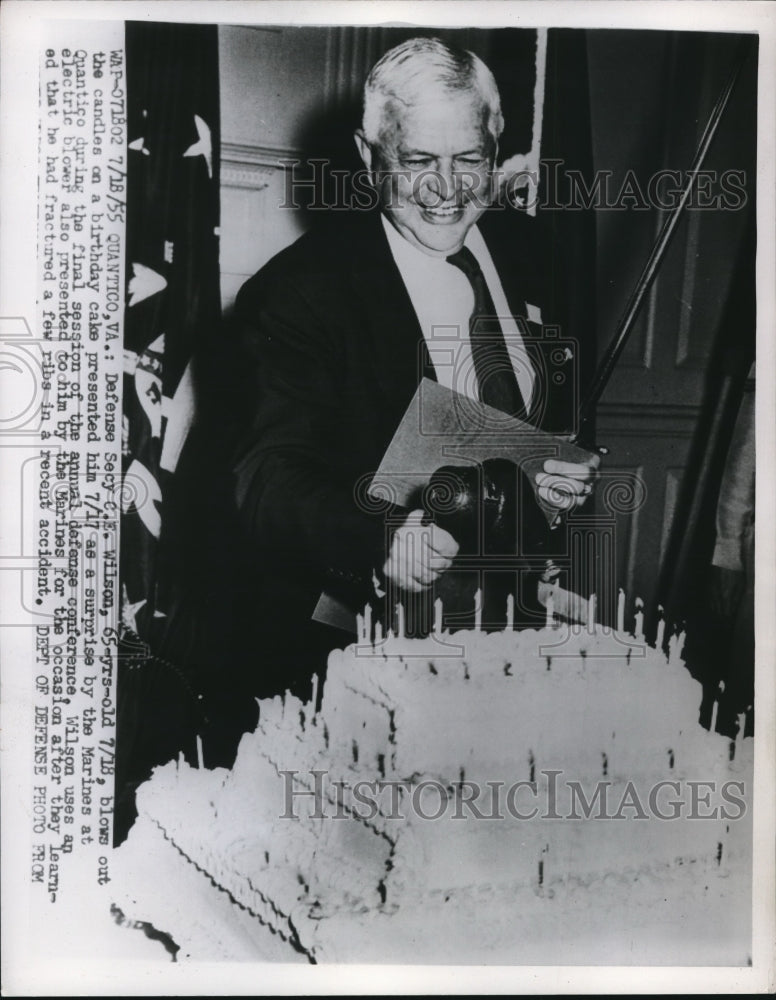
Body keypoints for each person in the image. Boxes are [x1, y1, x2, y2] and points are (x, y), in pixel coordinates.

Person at [232, 37, 598, 696]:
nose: (446, 189)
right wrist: (384, 536)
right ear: (367, 154)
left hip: (513, 634)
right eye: (418, 160)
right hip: (358, 646)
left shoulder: (534, 251)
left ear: (497, 145)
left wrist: (567, 477)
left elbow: (554, 420)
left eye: (470, 159)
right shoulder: (299, 291)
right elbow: (265, 479)